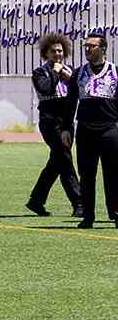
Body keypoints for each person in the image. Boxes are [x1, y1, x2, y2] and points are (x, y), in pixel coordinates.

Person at [26, 32, 82, 219]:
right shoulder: (40, 73)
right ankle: (79, 202)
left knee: (57, 161)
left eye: (60, 51)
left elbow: (78, 94)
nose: (57, 54)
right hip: (50, 120)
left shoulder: (71, 71)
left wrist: (70, 78)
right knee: (64, 158)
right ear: (46, 53)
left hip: (67, 120)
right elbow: (46, 88)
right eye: (53, 51)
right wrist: (56, 71)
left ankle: (36, 200)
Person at [72, 32, 118, 229]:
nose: (88, 50)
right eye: (86, 46)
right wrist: (66, 128)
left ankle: (115, 213)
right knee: (87, 175)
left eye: (92, 46)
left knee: (113, 174)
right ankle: (88, 216)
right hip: (85, 131)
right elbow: (70, 103)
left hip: (110, 130)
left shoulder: (115, 72)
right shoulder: (79, 73)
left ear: (103, 48)